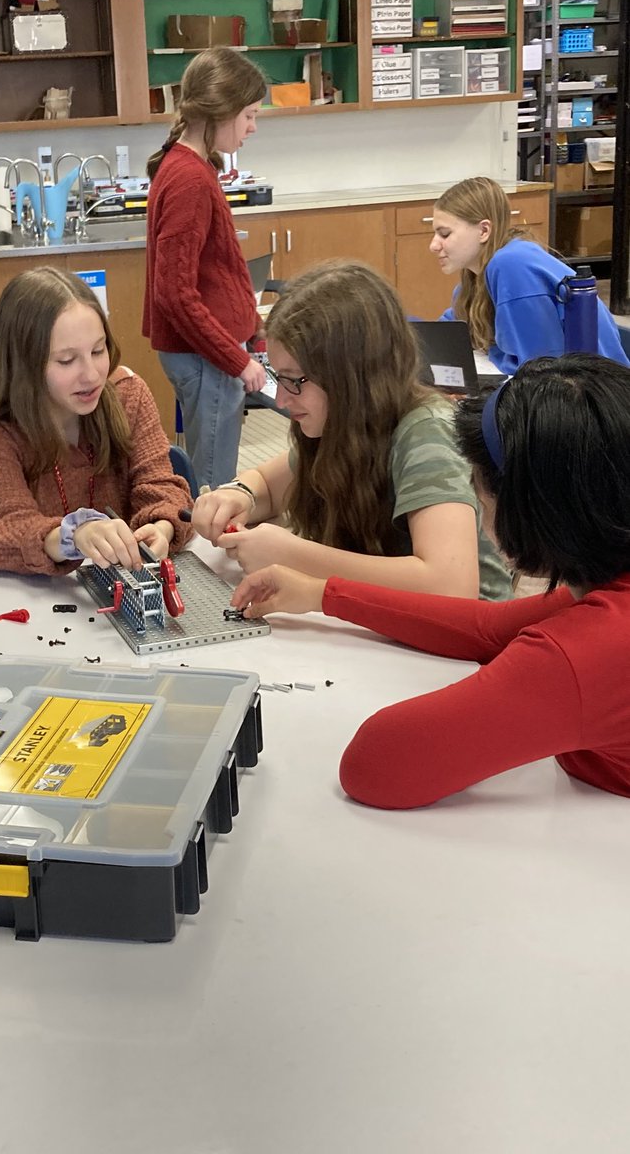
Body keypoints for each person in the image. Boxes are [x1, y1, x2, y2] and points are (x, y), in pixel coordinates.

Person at [231, 354, 630, 809]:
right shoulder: (607, 584)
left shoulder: (584, 654)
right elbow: (488, 629)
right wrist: (322, 594)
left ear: (530, 509)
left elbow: (375, 766)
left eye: (477, 483)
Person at [192, 260, 512, 601]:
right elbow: (268, 487)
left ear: (351, 377)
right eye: (277, 377)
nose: (283, 399)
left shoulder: (426, 431)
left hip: (465, 649)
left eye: (295, 380)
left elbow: (449, 585)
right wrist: (237, 495)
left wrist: (293, 555)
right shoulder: (341, 425)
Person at [0, 267, 194, 575]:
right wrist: (73, 536)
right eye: (66, 360)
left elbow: (160, 485)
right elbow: (5, 527)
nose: (92, 375)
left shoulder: (128, 396)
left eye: (98, 350)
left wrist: (162, 527)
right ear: (25, 364)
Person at [143, 47, 268, 491]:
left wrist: (252, 331)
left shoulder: (193, 167)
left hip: (209, 353)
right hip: (206, 357)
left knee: (211, 471)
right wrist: (235, 359)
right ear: (223, 110)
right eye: (250, 114)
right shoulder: (189, 179)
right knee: (214, 484)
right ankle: (208, 556)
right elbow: (174, 292)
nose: (253, 126)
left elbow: (223, 269)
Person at [432, 175, 628, 375]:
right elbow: (445, 335)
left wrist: (492, 355)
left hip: (592, 395)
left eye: (445, 234)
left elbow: (542, 370)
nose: (433, 245)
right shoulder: (473, 280)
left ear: (484, 230)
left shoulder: (511, 264)